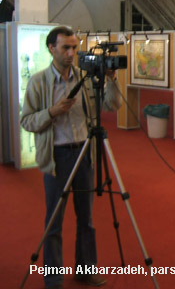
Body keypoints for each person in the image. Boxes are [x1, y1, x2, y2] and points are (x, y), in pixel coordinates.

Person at [21, 26, 122, 289]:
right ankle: (54, 277)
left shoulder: (86, 78)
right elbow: (27, 121)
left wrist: (111, 79)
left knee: (86, 217)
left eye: (75, 47)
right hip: (57, 157)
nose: (71, 53)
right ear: (51, 48)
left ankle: (86, 269)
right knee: (54, 220)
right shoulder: (39, 82)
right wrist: (51, 112)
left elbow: (113, 105)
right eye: (65, 47)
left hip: (85, 152)